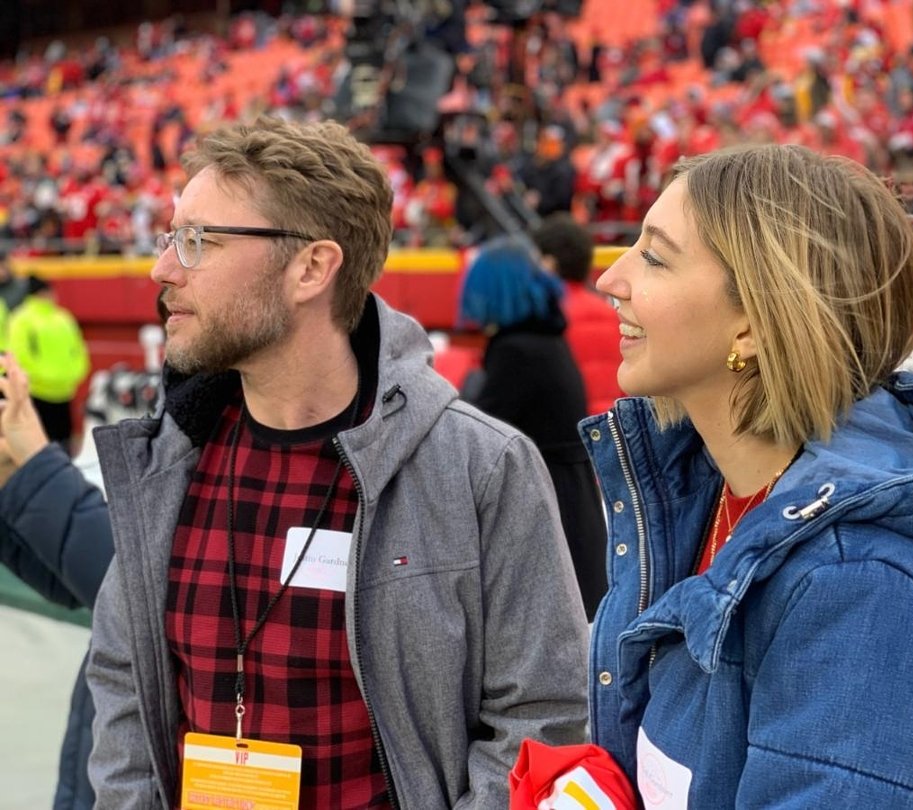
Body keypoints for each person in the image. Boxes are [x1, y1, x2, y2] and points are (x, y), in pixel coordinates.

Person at [85, 116, 589, 809]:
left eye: (197, 240)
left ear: (312, 268)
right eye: (172, 237)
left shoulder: (482, 468)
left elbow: (542, 720)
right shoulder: (168, 461)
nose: (162, 267)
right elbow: (122, 687)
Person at [583, 145, 913, 805]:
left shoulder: (864, 595)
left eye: (654, 257)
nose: (611, 279)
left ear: (754, 326)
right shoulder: (704, 501)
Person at [458, 236, 608, 620]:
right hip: (571, 500)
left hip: (549, 507)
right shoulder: (544, 341)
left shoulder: (517, 352)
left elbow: (476, 433)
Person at [0, 352, 113, 810]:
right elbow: (76, 583)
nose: (162, 274)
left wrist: (32, 464)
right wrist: (13, 472)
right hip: (101, 761)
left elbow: (135, 585)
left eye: (194, 271)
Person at [532, 213, 622, 416]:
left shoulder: (547, 316)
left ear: (549, 263)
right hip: (614, 427)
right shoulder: (611, 313)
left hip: (568, 429)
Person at [7, 275, 90, 454]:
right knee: (43, 445)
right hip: (37, 392)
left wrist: (73, 374)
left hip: (63, 391)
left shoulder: (62, 317)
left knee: (63, 443)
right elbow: (20, 355)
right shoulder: (22, 319)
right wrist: (52, 377)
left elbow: (78, 349)